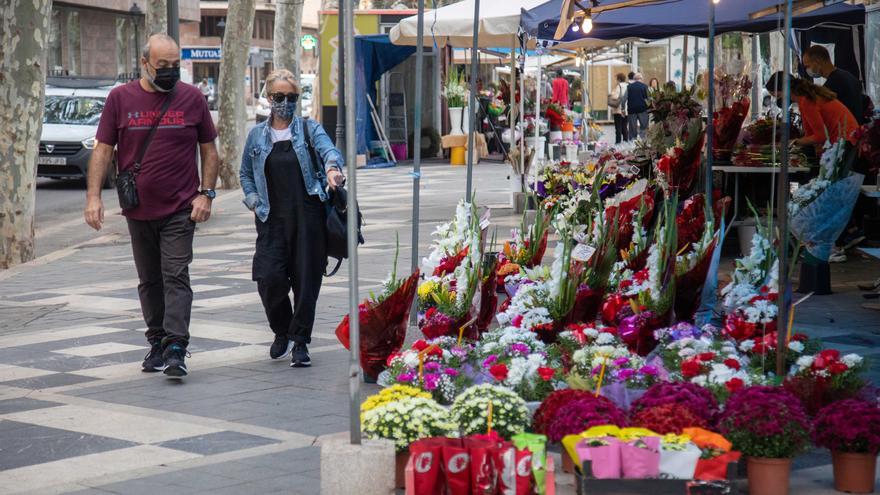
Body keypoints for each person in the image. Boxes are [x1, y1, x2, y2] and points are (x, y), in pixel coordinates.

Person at [84, 34, 219, 379]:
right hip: (138, 208)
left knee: (175, 274)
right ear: (144, 64)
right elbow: (102, 149)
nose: (171, 72)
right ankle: (157, 340)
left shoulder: (192, 98)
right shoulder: (120, 98)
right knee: (149, 280)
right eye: (163, 66)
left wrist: (206, 193)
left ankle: (176, 345)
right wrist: (94, 197)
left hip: (180, 208)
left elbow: (209, 149)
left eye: (175, 66)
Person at [239, 69, 345, 368]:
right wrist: (254, 201)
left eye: (291, 97)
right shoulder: (256, 135)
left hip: (308, 217)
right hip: (271, 218)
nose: (285, 103)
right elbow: (245, 173)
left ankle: (300, 341)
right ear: (268, 97)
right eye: (279, 97)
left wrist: (333, 170)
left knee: (306, 282)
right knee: (268, 278)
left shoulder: (309, 129)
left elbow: (330, 152)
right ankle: (281, 330)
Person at [765, 72, 859, 151]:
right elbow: (810, 133)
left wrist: (793, 142)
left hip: (846, 143)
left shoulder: (807, 101)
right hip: (842, 141)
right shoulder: (804, 99)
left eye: (778, 96)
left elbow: (820, 136)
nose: (779, 100)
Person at [802, 45, 864, 124]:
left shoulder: (831, 85)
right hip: (857, 130)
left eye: (808, 66)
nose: (807, 70)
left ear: (817, 61)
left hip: (844, 131)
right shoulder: (849, 76)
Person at [626, 73, 650, 141]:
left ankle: (632, 143)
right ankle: (643, 142)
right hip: (643, 109)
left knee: (632, 129)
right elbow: (648, 98)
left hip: (631, 110)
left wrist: (622, 108)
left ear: (634, 79)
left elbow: (624, 98)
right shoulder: (645, 86)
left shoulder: (629, 87)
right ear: (641, 79)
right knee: (644, 127)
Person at [610, 72, 629, 144]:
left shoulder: (619, 86)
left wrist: (611, 94)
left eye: (616, 79)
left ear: (619, 79)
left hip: (618, 110)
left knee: (618, 128)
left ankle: (618, 143)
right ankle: (626, 142)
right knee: (624, 127)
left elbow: (615, 97)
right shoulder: (628, 86)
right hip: (626, 110)